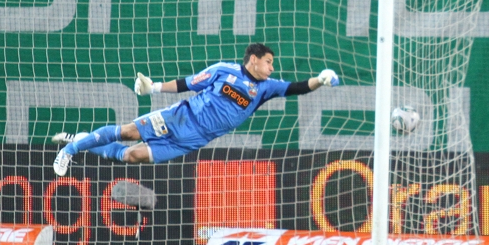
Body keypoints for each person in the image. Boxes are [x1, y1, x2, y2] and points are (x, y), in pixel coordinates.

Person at [53, 43, 339, 175]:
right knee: (127, 133)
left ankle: (82, 140)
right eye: (268, 62)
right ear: (253, 59)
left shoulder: (266, 88)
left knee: (132, 156)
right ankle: (69, 151)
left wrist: (320, 80)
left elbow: (296, 87)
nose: (272, 68)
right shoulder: (223, 70)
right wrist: (153, 88)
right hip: (179, 118)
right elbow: (187, 84)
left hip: (195, 140)